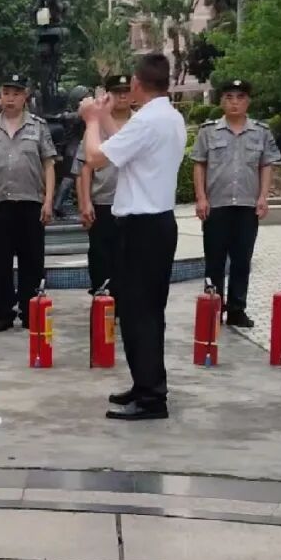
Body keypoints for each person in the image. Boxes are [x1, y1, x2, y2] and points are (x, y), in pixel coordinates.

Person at [79, 52, 186, 423]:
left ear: (138, 84)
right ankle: (145, 384)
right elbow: (123, 141)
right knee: (145, 310)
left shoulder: (148, 121)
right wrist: (105, 116)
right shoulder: (168, 117)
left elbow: (95, 158)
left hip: (142, 227)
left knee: (140, 312)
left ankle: (152, 396)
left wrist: (91, 120)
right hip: (158, 224)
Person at [192, 79, 280, 328]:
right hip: (216, 205)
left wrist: (263, 197)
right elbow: (199, 164)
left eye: (240, 97)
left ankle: (237, 309)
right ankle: (213, 309)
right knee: (215, 260)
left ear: (248, 101)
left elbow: (266, 165)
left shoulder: (261, 132)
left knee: (242, 260)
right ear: (221, 101)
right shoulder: (208, 131)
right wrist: (201, 197)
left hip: (246, 205)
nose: (234, 103)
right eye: (229, 97)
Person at [0, 74, 56, 331]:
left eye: (16, 94)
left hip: (30, 202)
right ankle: (3, 313)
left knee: (32, 261)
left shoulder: (38, 127)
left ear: (25, 96)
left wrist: (48, 201)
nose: (10, 98)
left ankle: (31, 312)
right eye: (6, 93)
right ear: (0, 95)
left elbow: (49, 165)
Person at [75, 72, 132, 295]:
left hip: (133, 204)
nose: (122, 96)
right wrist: (85, 203)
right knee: (101, 256)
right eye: (117, 92)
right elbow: (84, 167)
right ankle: (101, 301)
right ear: (108, 95)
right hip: (103, 202)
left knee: (128, 257)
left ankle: (126, 302)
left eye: (126, 92)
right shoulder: (96, 126)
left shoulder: (140, 123)